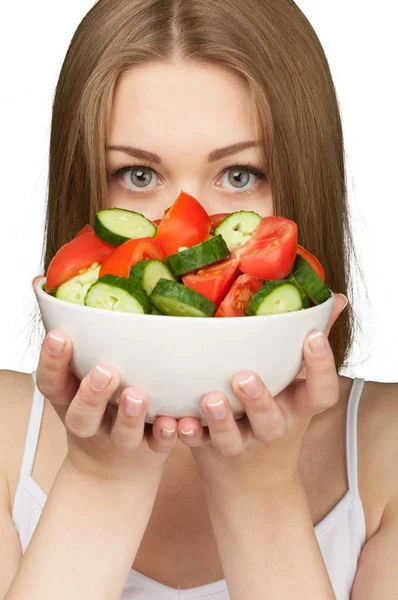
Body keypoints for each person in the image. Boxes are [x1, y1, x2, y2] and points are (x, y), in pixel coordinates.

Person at [0, 0, 397, 598]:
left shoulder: (386, 450)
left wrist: (259, 490)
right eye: (137, 175)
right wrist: (102, 478)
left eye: (240, 174)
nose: (185, 230)